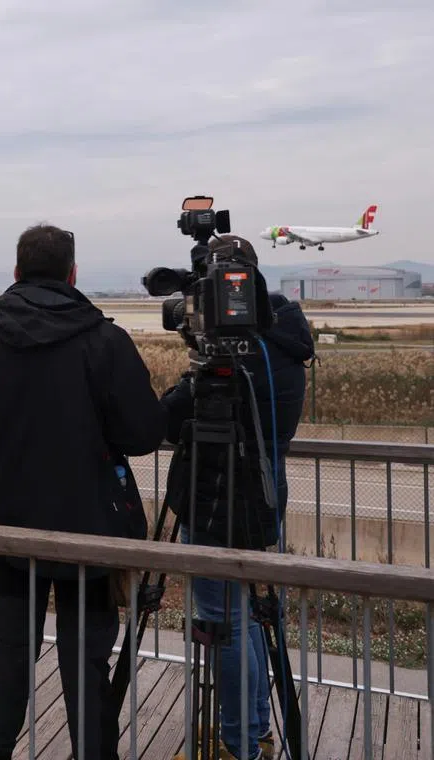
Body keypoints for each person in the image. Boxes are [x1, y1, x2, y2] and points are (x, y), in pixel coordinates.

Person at [0, 224, 166, 760]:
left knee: (9, 653)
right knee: (86, 663)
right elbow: (144, 432)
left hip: (10, 536)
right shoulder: (103, 340)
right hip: (90, 539)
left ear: (16, 273)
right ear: (73, 273)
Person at [161, 234, 314, 760]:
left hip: (219, 496)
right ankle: (252, 729)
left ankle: (236, 743)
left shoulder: (243, 351)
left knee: (222, 622)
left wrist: (192, 374)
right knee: (245, 615)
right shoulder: (286, 341)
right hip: (266, 493)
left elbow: (167, 419)